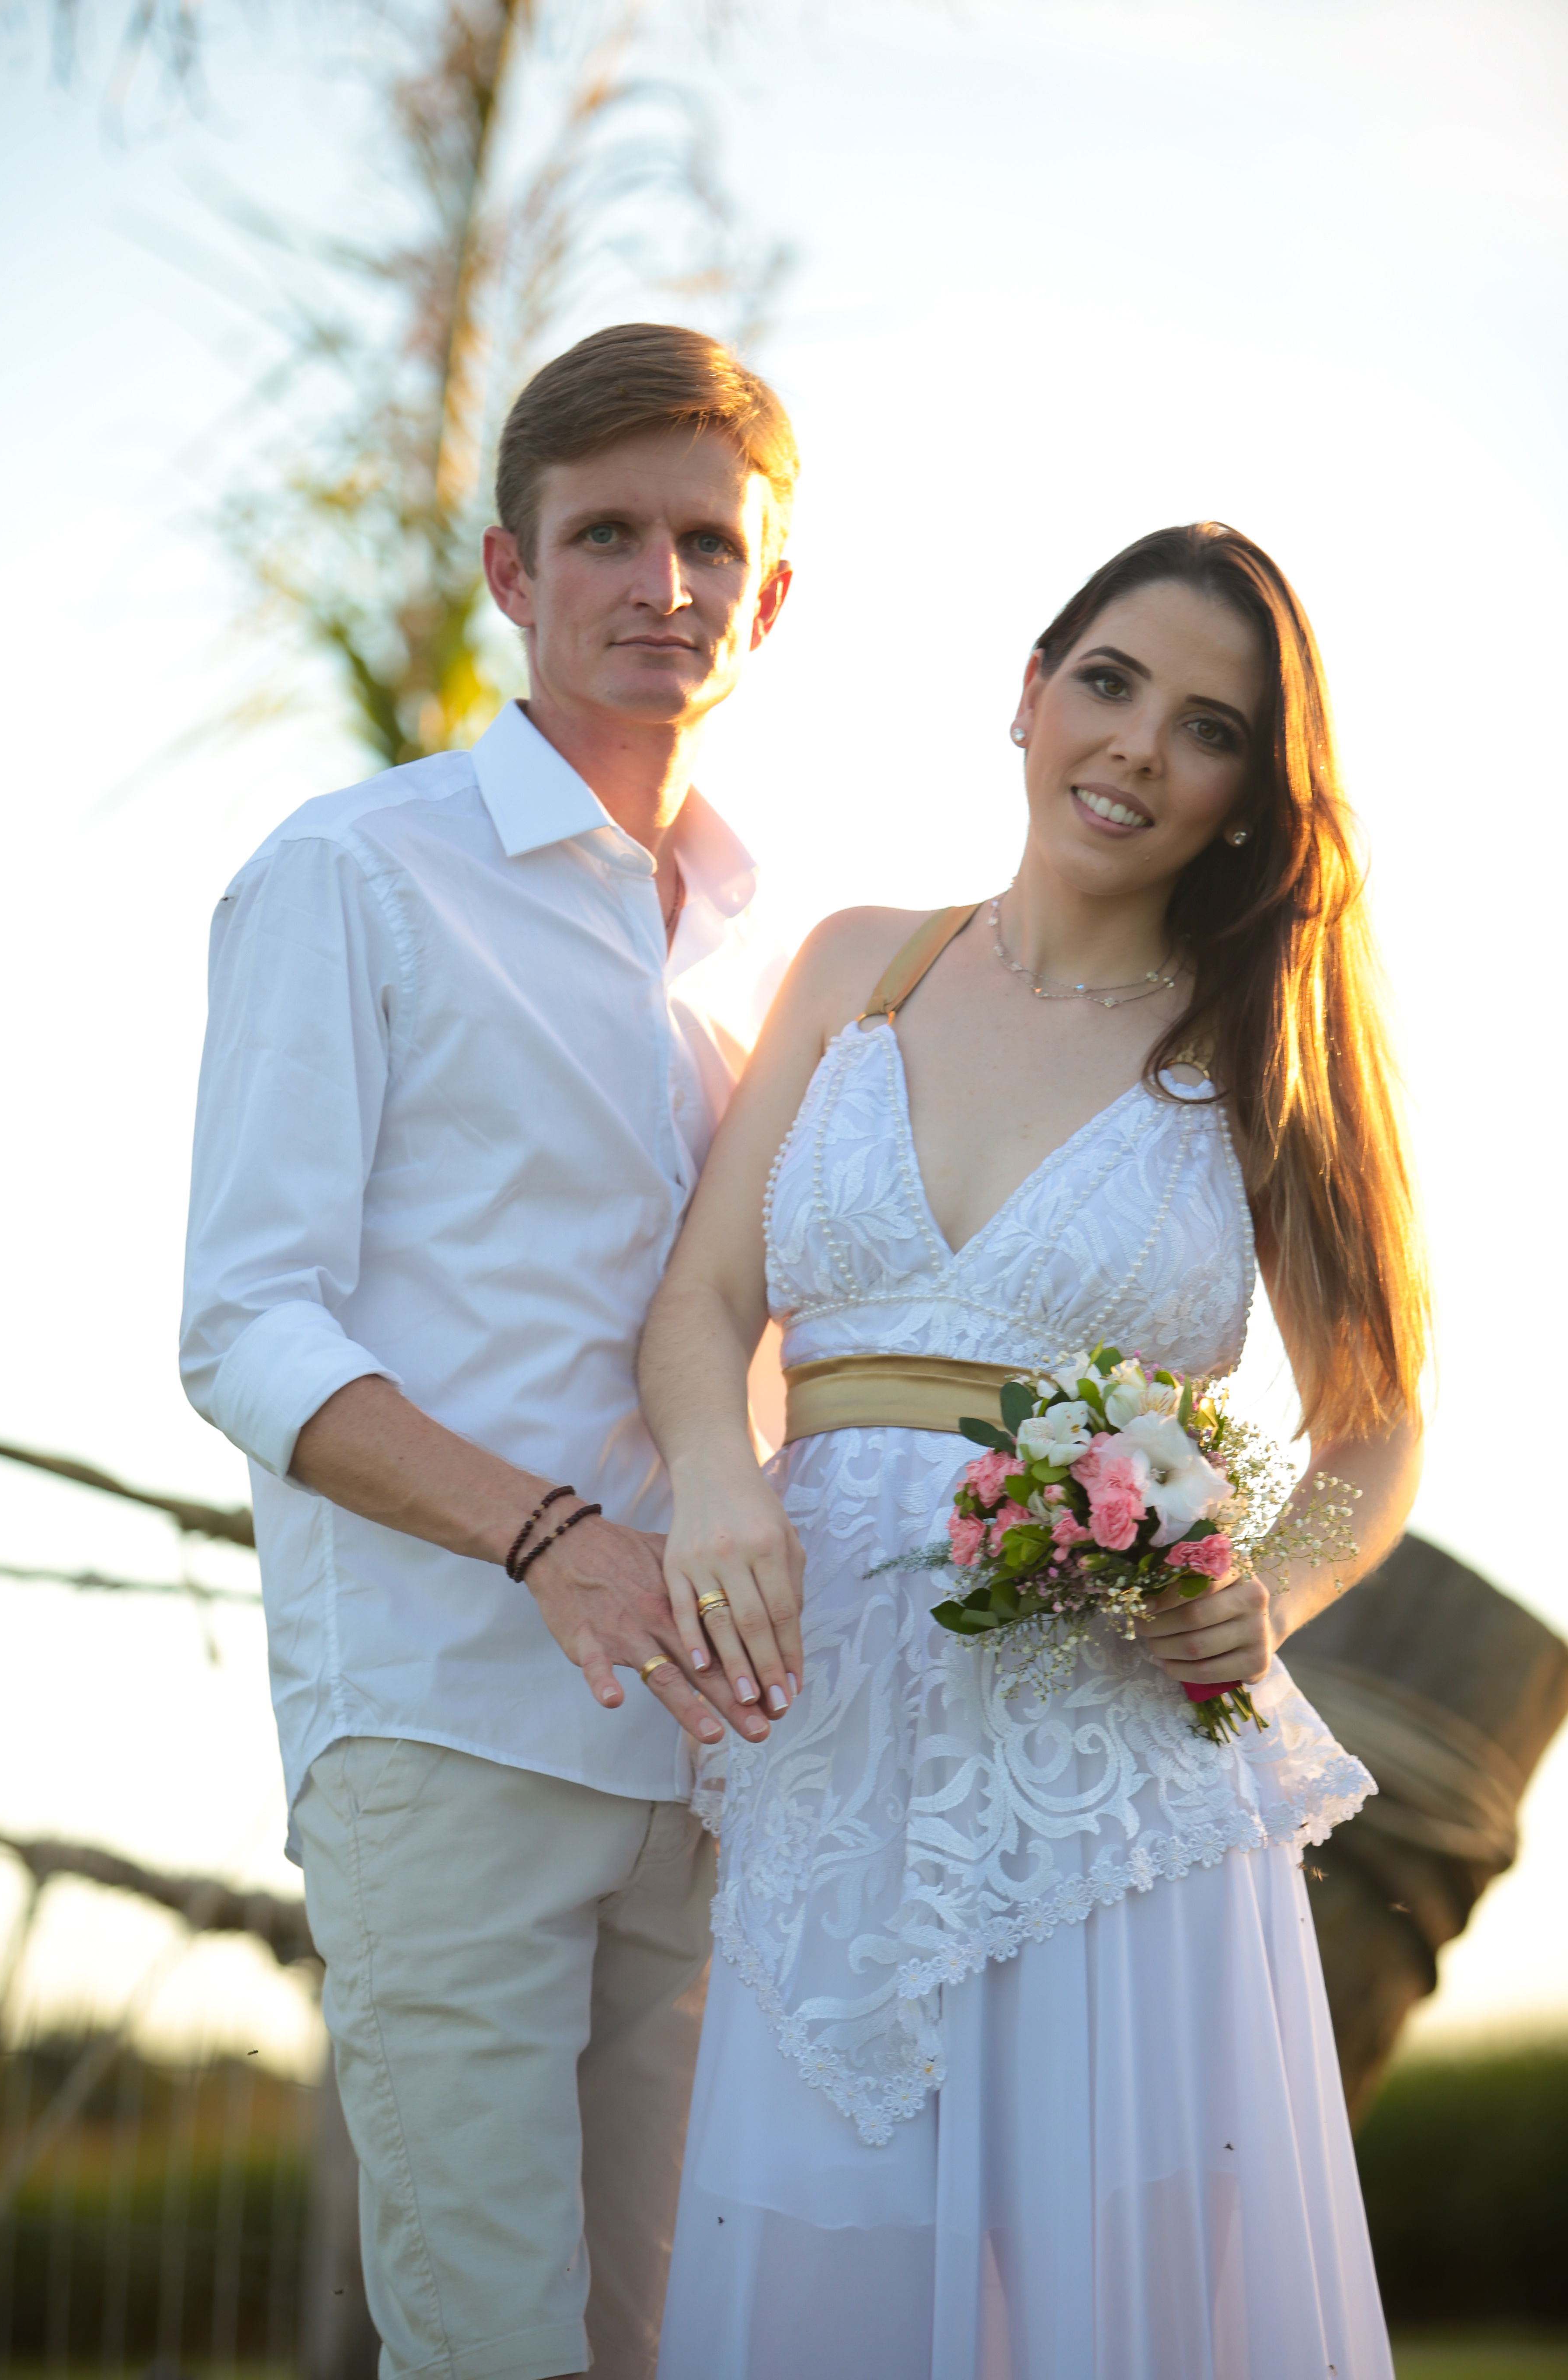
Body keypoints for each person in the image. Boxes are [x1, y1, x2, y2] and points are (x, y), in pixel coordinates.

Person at [638, 521, 1429, 2379]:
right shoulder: (856, 968)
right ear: (1027, 693)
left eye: (1212, 729)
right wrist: (722, 1480)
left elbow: (1378, 1426)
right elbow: (697, 1313)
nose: (1143, 749)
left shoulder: (1260, 1052)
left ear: (1251, 798)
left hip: (1107, 1786)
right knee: (819, 2261)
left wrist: (1270, 1588)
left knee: (1111, 2305)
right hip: (829, 1727)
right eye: (1111, 682)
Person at [180, 322, 805, 2380]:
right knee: (495, 2351)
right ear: (511, 577)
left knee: (670, 2349)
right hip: (448, 1734)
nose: (664, 585)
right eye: (606, 535)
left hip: (714, 1776)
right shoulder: (352, 875)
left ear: (770, 595)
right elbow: (245, 1327)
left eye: (707, 542)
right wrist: (550, 1539)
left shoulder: (767, 968)